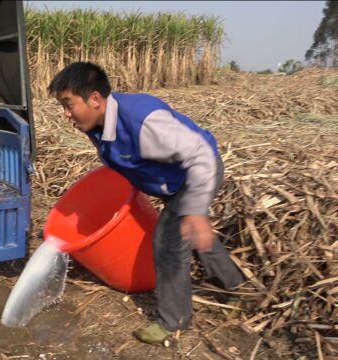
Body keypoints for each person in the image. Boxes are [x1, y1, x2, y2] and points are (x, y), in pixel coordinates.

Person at [48, 62, 244, 344]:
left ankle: (172, 321)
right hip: (171, 181)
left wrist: (197, 210)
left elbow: (200, 155)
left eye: (68, 104)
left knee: (167, 242)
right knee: (190, 232)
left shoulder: (144, 121)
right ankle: (239, 290)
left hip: (197, 173)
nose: (66, 115)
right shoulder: (96, 123)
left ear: (94, 99)